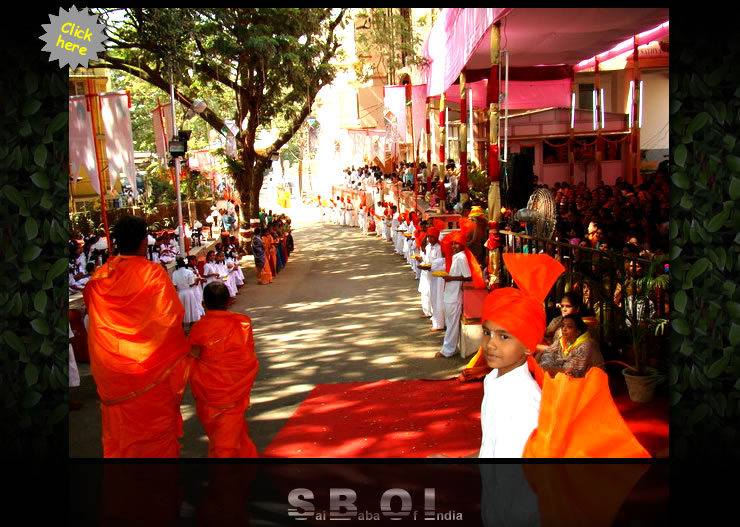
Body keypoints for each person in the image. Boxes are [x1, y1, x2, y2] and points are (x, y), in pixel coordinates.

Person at [83, 215, 192, 457]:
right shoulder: (153, 273)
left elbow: (94, 315)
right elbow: (172, 315)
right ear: (144, 242)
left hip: (113, 370)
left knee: (121, 436)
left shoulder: (100, 279)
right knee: (155, 436)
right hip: (151, 369)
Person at [188, 281, 259, 458]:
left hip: (209, 391)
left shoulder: (199, 327)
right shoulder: (242, 324)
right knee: (233, 432)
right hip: (235, 387)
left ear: (203, 304)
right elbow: (246, 355)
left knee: (221, 441)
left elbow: (193, 356)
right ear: (229, 302)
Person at [538, 314, 605, 378]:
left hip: (588, 383)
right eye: (562, 326)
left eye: (569, 327)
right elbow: (549, 353)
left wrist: (547, 370)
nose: (564, 329)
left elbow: (573, 372)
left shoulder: (587, 345)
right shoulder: (562, 341)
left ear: (578, 331)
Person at [172, 257, 205, 327]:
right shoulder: (189, 272)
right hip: (189, 293)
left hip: (180, 293)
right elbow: (191, 284)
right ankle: (191, 326)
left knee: (182, 310)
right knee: (191, 309)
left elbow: (174, 285)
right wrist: (197, 280)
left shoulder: (174, 273)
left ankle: (182, 328)